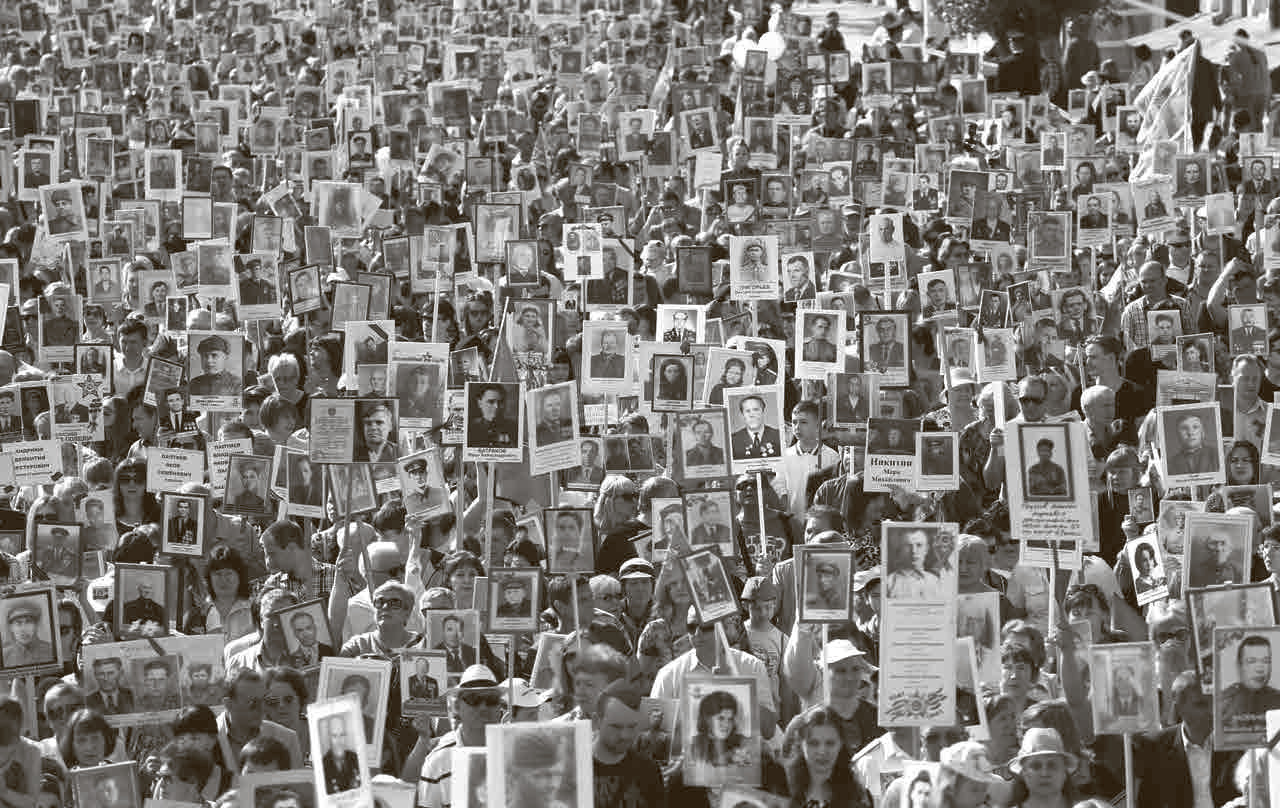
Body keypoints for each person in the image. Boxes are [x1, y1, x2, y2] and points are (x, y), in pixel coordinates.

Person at [886, 528, 943, 600]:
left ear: (926, 549)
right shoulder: (889, 582)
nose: (914, 551)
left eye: (919, 545)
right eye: (908, 546)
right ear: (900, 550)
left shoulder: (935, 581)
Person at [730, 394, 781, 459]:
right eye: (747, 411)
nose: (752, 415)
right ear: (742, 415)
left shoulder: (778, 436)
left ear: (763, 412)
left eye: (756, 410)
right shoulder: (733, 440)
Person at [1, 601, 53, 666]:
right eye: (18, 623)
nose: (24, 629)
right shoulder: (4, 655)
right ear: (11, 628)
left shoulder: (51, 650)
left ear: (36, 625)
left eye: (28, 622)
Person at [321, 713, 361, 793]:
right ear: (329, 738)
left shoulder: (356, 758)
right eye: (334, 736)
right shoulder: (322, 765)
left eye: (342, 735)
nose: (339, 741)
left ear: (346, 736)